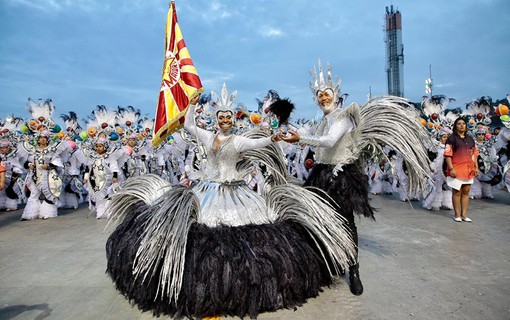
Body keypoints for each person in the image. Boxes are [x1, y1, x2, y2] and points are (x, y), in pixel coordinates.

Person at [105, 84, 357, 319]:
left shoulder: (239, 140)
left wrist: (276, 138)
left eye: (229, 117)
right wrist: (191, 104)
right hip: (208, 190)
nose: (225, 120)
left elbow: (261, 141)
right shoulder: (206, 137)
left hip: (237, 192)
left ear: (233, 120)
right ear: (217, 119)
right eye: (221, 117)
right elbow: (189, 125)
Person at [282, 61, 431, 296]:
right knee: (322, 222)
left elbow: (330, 141)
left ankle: (354, 270)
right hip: (321, 175)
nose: (323, 98)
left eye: (327, 94)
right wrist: (287, 129)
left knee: (347, 223)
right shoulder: (321, 120)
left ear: (335, 95)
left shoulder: (344, 117)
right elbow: (309, 133)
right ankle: (330, 262)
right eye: (320, 95)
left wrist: (301, 139)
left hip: (342, 176)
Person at [444, 117, 480, 222]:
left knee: (466, 191)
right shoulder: (451, 139)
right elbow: (447, 155)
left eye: (463, 123)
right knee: (457, 192)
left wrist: (476, 167)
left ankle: (464, 215)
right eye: (459, 123)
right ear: (455, 126)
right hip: (456, 169)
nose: (461, 125)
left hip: (468, 169)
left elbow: (475, 155)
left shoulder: (470, 139)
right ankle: (457, 215)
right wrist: (451, 169)